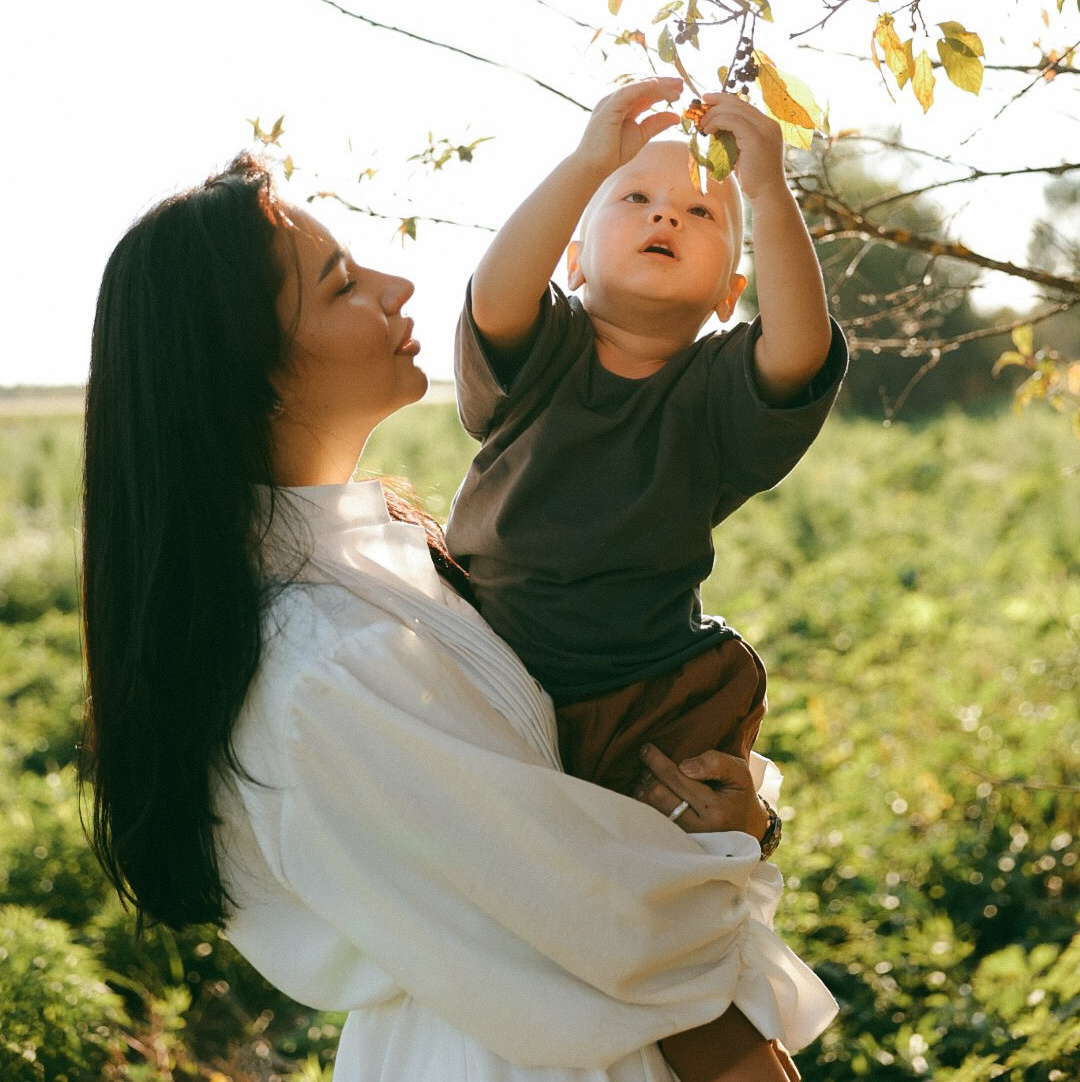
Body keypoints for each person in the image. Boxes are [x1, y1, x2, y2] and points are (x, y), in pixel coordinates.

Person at [81, 153, 838, 1082]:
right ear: (254, 369)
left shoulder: (387, 552)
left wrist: (721, 815)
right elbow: (602, 913)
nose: (401, 284)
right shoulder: (328, 667)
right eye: (344, 283)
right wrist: (724, 849)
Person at [444, 79, 847, 1080]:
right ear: (574, 260)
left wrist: (770, 187)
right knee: (545, 937)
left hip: (646, 698)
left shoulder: (714, 395)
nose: (667, 210)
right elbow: (497, 292)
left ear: (727, 295)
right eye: (632, 199)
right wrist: (587, 160)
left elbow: (798, 345)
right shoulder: (541, 356)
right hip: (491, 675)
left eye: (703, 212)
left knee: (670, 943)